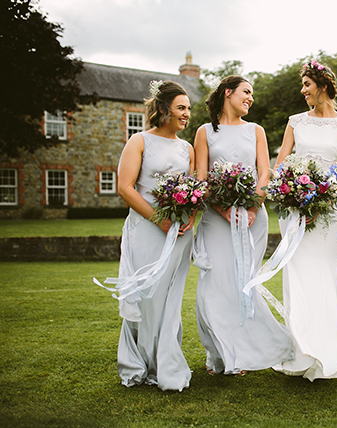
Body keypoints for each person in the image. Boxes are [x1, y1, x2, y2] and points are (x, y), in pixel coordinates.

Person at [193, 75, 293, 375]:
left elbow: (265, 171)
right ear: (228, 93)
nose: (251, 98)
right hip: (216, 218)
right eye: (246, 92)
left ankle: (243, 353)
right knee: (214, 285)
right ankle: (219, 354)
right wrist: (224, 209)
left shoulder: (256, 130)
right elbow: (201, 178)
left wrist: (253, 207)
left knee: (242, 284)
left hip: (252, 218)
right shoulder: (204, 132)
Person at [272, 60, 337, 381]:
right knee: (297, 273)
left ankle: (327, 343)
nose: (303, 90)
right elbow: (281, 165)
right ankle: (301, 348)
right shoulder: (295, 122)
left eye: (307, 84)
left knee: (323, 269)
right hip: (294, 208)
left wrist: (324, 198)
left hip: (327, 209)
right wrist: (294, 195)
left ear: (322, 86)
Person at [114, 80, 194, 391]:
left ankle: (165, 362)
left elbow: (195, 189)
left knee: (170, 300)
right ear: (163, 109)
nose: (186, 114)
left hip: (179, 233)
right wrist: (160, 219)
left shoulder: (188, 148)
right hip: (147, 228)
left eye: (188, 109)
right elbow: (125, 187)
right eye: (181, 108)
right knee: (147, 296)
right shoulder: (139, 141)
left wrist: (189, 216)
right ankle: (137, 363)